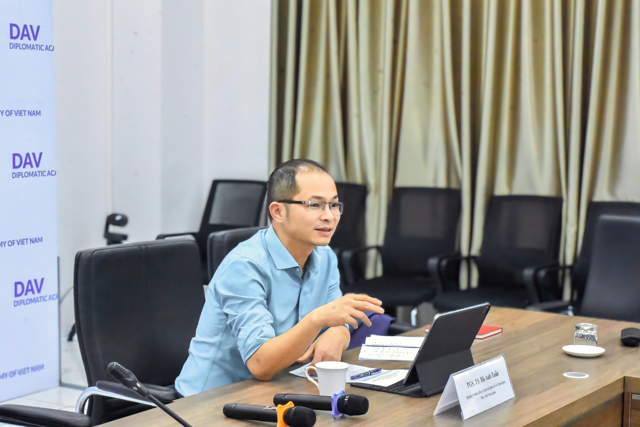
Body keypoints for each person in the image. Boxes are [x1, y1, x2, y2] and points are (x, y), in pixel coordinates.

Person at [175, 159, 383, 396]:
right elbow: (260, 365)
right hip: (210, 399)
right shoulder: (244, 266)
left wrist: (340, 332)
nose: (329, 216)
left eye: (334, 205)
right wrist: (317, 319)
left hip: (281, 387)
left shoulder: (325, 256)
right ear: (278, 211)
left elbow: (336, 318)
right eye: (315, 205)